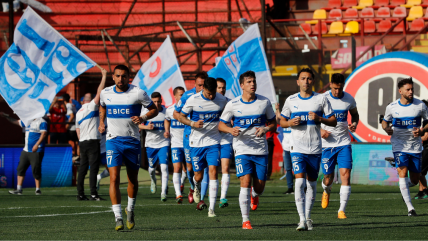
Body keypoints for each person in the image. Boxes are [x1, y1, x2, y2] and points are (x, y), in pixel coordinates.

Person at [99, 65, 158, 231]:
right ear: (113, 76)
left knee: (133, 179)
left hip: (132, 141)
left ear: (129, 77)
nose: (120, 79)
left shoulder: (138, 92)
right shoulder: (106, 92)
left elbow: (154, 109)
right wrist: (101, 122)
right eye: (117, 76)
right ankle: (118, 217)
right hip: (113, 141)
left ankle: (130, 210)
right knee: (114, 178)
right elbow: (102, 105)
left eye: (124, 76)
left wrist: (143, 117)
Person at [280, 68, 337, 231]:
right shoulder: (291, 100)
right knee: (299, 182)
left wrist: (320, 119)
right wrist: (290, 123)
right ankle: (301, 220)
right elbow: (282, 121)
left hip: (315, 148)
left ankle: (308, 216)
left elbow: (333, 121)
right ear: (298, 82)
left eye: (309, 78)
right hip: (296, 148)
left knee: (311, 184)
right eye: (303, 78)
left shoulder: (321, 99)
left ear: (313, 81)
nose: (306, 81)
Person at [219, 70, 277, 229]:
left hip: (260, 151)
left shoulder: (264, 102)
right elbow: (221, 125)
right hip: (241, 150)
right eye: (249, 82)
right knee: (244, 181)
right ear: (242, 85)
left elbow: (273, 123)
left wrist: (265, 129)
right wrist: (231, 130)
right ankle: (245, 220)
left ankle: (254, 195)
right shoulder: (233, 104)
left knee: (259, 187)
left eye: (254, 81)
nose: (253, 84)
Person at [179, 77, 227, 217]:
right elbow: (181, 117)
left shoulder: (222, 99)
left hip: (213, 142)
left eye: (213, 93)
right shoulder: (193, 99)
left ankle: (211, 208)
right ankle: (196, 187)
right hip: (196, 143)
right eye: (208, 93)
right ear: (202, 89)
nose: (211, 96)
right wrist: (193, 124)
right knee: (198, 176)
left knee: (213, 171)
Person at [381, 77, 428, 217]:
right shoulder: (392, 107)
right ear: (400, 91)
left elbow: (427, 123)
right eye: (408, 89)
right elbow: (384, 122)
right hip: (399, 146)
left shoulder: (420, 105)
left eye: (412, 89)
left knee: (414, 179)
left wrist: (422, 131)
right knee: (402, 172)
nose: (411, 92)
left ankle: (404, 188)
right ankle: (410, 209)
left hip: (415, 147)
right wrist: (386, 129)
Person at [319, 73, 359, 219]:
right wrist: (321, 130)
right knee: (328, 177)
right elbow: (313, 119)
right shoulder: (323, 98)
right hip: (327, 144)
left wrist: (354, 124)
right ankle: (326, 190)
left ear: (343, 85)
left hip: (344, 143)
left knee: (345, 175)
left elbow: (355, 115)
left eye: (340, 88)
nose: (337, 91)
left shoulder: (349, 99)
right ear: (330, 85)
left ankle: (341, 210)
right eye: (335, 88)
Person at [174, 71, 207, 206]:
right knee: (189, 166)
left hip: (206, 137)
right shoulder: (188, 95)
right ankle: (193, 188)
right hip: (189, 135)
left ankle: (201, 195)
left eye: (204, 85)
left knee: (204, 167)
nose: (201, 88)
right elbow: (176, 113)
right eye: (199, 85)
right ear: (195, 84)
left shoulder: (211, 96)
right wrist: (190, 123)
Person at [75, 68, 107, 201]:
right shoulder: (91, 107)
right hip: (93, 140)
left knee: (82, 168)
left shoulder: (78, 112)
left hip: (83, 141)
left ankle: (80, 194)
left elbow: (77, 129)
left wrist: (81, 140)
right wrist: (104, 76)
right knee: (93, 168)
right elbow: (100, 92)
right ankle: (93, 193)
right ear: (89, 99)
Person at [4, 116, 48, 195]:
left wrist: (37, 144)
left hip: (37, 150)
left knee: (36, 169)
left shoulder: (41, 121)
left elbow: (44, 133)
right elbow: (16, 121)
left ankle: (38, 189)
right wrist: (6, 115)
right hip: (26, 149)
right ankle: (19, 189)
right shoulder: (27, 120)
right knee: (21, 168)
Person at [139, 92, 170, 202]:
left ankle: (163, 193)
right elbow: (138, 124)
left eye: (158, 102)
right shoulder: (146, 111)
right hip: (150, 144)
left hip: (163, 143)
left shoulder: (166, 111)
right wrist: (146, 127)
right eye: (154, 102)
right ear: (151, 102)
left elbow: (169, 122)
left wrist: (167, 131)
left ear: (161, 101)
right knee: (151, 169)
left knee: (164, 167)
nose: (157, 104)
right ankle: (153, 180)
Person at [165, 86, 186, 204]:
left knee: (188, 170)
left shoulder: (188, 109)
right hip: (176, 144)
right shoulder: (170, 109)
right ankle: (178, 194)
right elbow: (167, 119)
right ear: (175, 96)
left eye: (184, 94)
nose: (183, 97)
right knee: (177, 168)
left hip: (188, 144)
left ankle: (183, 184)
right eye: (181, 94)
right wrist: (167, 130)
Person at [216, 77, 232, 208]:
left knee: (225, 168)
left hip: (226, 139)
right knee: (211, 170)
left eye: (223, 87)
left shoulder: (231, 103)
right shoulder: (210, 103)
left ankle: (223, 198)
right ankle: (209, 192)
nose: (221, 90)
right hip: (212, 140)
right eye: (219, 87)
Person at [415, 100, 428, 199]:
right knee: (420, 171)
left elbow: (425, 137)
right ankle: (421, 191)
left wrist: (414, 138)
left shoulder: (426, 122)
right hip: (425, 148)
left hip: (427, 149)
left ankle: (425, 191)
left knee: (419, 171)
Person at [63, 93, 78, 158]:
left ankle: (71, 154)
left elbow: (71, 116)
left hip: (71, 127)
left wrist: (67, 125)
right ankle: (76, 155)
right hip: (75, 126)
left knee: (69, 141)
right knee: (76, 142)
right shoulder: (73, 105)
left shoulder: (68, 105)